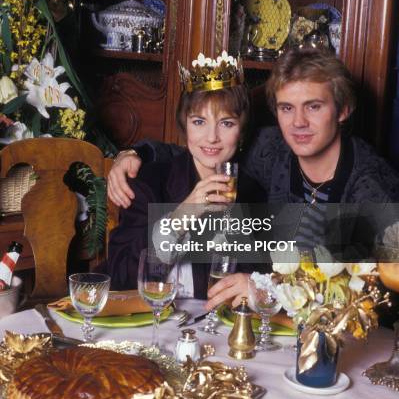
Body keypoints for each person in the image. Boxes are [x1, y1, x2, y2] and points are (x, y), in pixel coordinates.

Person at [108, 47, 399, 308]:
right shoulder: (271, 150)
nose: (298, 122)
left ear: (343, 110)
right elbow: (204, 150)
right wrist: (134, 153)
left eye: (313, 106)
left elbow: (374, 296)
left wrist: (267, 288)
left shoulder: (373, 189)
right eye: (287, 108)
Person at [106, 51, 266, 298]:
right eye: (199, 122)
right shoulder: (148, 183)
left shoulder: (254, 192)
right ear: (184, 126)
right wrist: (180, 219)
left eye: (227, 123)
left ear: (241, 133)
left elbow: (265, 279)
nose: (212, 137)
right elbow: (120, 277)